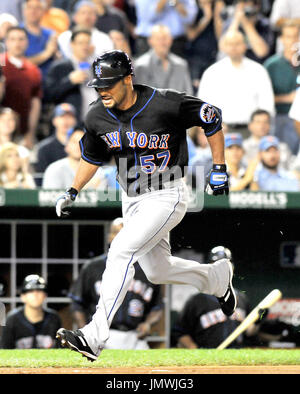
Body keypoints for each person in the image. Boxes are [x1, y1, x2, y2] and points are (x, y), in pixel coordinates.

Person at [54, 49, 237, 361]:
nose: (102, 91)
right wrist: (72, 190)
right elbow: (91, 156)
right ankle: (216, 278)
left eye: (109, 84)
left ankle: (94, 335)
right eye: (98, 85)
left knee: (121, 250)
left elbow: (211, 116)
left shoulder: (165, 101)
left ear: (128, 79)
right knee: (156, 271)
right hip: (131, 197)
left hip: (168, 192)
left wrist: (219, 167)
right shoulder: (96, 115)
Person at [68, 217, 164, 350]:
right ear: (109, 237)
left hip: (134, 336)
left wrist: (148, 324)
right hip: (102, 335)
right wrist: (88, 334)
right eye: (117, 232)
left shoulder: (148, 270)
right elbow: (77, 303)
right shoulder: (93, 267)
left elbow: (157, 307)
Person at [171, 246, 253, 349]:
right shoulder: (196, 301)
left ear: (232, 267)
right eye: (216, 264)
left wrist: (259, 319)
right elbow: (179, 331)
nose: (221, 270)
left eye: (226, 265)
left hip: (236, 355)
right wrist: (196, 351)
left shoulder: (241, 298)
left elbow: (250, 331)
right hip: (207, 355)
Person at [197, 30, 275, 138]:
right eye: (230, 44)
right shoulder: (212, 72)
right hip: (221, 129)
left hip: (253, 131)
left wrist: (262, 125)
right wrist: (214, 125)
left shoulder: (258, 70)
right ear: (224, 47)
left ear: (245, 45)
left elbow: (267, 103)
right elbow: (203, 104)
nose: (233, 47)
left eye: (237, 44)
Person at [0, 26, 42, 149]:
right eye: (12, 39)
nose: (17, 43)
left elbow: (35, 103)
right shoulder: (1, 64)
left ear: (27, 42)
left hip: (22, 131)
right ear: (6, 42)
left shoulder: (33, 70)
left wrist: (31, 132)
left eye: (21, 39)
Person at [45, 28, 98, 123]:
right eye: (81, 43)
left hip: (96, 122)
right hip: (73, 123)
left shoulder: (96, 67)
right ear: (72, 45)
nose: (85, 47)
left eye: (87, 43)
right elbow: (48, 95)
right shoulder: (60, 66)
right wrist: (69, 81)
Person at [264, 21, 300, 155]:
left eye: (296, 36)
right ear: (281, 39)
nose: (293, 40)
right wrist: (288, 98)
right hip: (281, 117)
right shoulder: (272, 65)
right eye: (289, 36)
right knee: (285, 155)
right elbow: (264, 97)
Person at [0, 275, 62, 349]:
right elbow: (5, 351)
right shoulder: (12, 319)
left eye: (39, 291)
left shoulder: (54, 318)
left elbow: (60, 349)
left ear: (45, 295)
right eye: (30, 291)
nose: (35, 295)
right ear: (23, 296)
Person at [133, 24, 193, 94]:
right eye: (158, 39)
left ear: (171, 40)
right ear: (150, 41)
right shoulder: (140, 66)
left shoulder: (181, 65)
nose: (162, 42)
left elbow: (189, 95)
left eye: (165, 38)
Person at [42, 127, 108, 189]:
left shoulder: (97, 171)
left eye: (83, 142)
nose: (78, 146)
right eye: (74, 142)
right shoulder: (54, 169)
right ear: (67, 146)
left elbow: (103, 199)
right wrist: (85, 187)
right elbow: (49, 199)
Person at [185, 0, 219, 93]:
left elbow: (220, 35)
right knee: (194, 90)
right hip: (195, 56)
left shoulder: (217, 6)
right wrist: (206, 18)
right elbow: (190, 35)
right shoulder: (192, 7)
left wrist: (216, 14)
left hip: (213, 55)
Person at [21, 0, 59, 81]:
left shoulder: (51, 34)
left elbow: (59, 61)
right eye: (29, 7)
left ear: (44, 11)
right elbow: (18, 63)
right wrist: (47, 53)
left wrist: (56, 53)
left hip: (49, 82)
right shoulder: (17, 33)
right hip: (26, 81)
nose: (33, 11)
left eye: (37, 8)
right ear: (24, 11)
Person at [35, 103, 77, 175]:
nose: (65, 121)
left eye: (69, 117)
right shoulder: (44, 149)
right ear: (54, 121)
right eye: (61, 116)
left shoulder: (83, 147)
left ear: (75, 121)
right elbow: (40, 178)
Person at [0, 107, 31, 172]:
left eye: (10, 119)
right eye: (2, 120)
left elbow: (25, 175)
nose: (6, 123)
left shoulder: (22, 151)